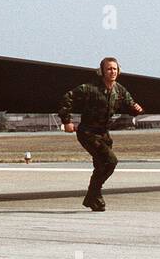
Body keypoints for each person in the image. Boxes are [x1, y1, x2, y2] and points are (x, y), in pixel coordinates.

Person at [58, 58, 144, 211]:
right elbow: (67, 97)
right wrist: (66, 121)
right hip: (88, 132)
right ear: (102, 71)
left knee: (101, 167)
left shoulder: (119, 90)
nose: (113, 72)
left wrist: (136, 109)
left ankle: (93, 197)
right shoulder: (90, 88)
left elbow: (129, 105)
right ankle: (93, 194)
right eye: (109, 69)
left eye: (115, 69)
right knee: (110, 161)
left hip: (104, 134)